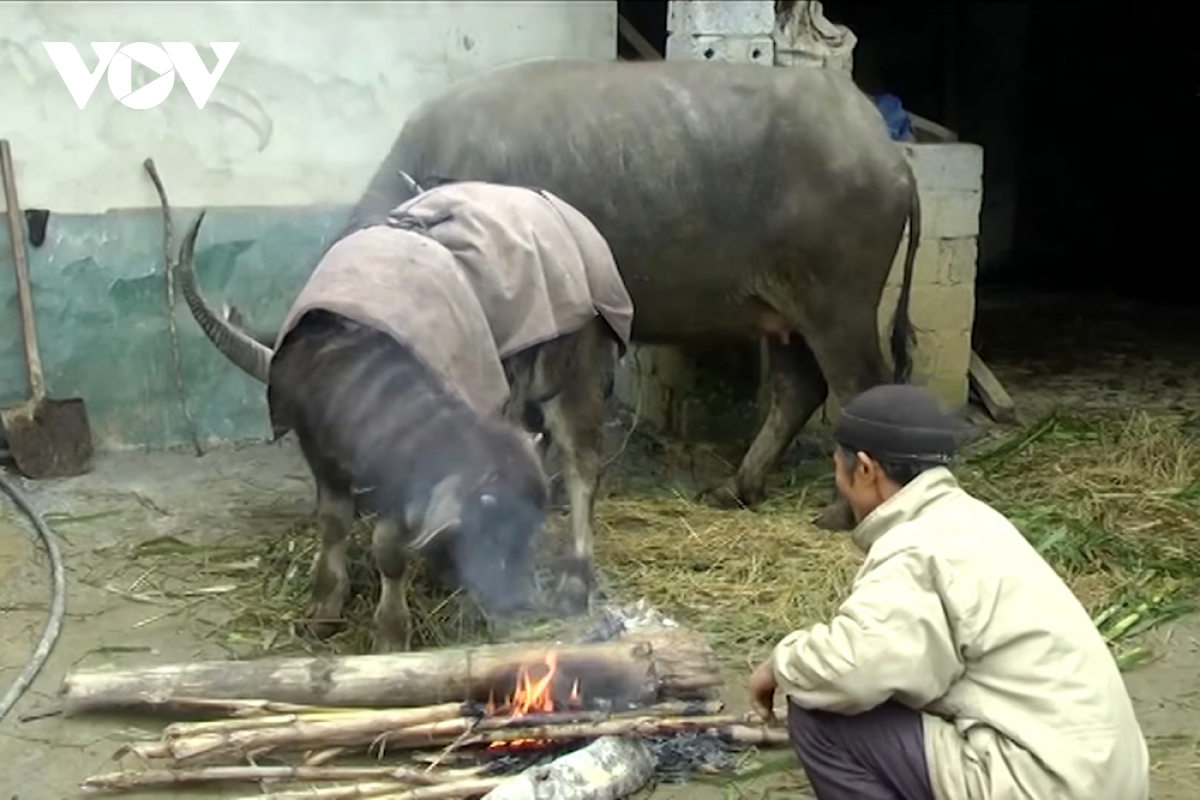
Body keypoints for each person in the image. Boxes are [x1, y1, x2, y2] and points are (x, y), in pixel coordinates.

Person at [747, 384, 1150, 800]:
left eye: (837, 469)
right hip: (1108, 778)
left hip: (1045, 783)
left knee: (819, 714)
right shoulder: (975, 520)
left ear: (865, 469)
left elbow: (852, 672)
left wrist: (781, 664)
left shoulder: (916, 547)